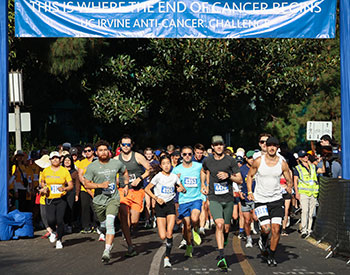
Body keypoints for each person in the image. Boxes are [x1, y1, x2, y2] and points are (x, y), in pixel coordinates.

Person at [246, 137, 293, 267]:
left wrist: (289, 186)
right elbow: (249, 176)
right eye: (269, 145)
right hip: (261, 200)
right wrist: (250, 192)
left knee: (276, 229)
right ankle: (263, 239)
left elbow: (289, 178)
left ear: (277, 147)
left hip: (276, 200)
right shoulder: (258, 161)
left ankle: (271, 255)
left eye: (274, 146)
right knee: (266, 229)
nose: (272, 148)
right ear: (265, 147)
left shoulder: (282, 163)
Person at [201, 135, 243, 270]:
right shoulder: (208, 161)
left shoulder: (230, 160)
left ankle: (224, 238)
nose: (219, 146)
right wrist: (203, 184)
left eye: (221, 144)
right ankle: (222, 256)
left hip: (228, 198)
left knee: (225, 228)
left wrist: (228, 176)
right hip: (214, 198)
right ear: (212, 147)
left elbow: (240, 179)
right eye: (216, 144)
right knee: (218, 224)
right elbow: (203, 171)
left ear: (224, 146)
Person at [83, 140, 129, 263]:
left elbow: (124, 171)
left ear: (109, 151)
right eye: (100, 150)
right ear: (96, 152)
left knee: (110, 223)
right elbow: (86, 183)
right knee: (103, 225)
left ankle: (107, 250)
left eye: (105, 150)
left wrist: (125, 185)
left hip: (113, 199)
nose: (103, 152)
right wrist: (100, 186)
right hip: (98, 201)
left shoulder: (116, 163)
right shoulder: (92, 166)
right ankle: (103, 230)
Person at [145, 155, 185, 268]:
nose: (166, 166)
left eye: (168, 163)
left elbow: (182, 189)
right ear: (161, 166)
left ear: (171, 164)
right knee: (163, 236)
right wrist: (156, 198)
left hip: (170, 205)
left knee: (169, 232)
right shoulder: (158, 177)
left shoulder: (174, 177)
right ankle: (168, 245)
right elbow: (147, 189)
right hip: (160, 206)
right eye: (164, 164)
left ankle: (167, 257)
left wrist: (181, 189)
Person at [114, 134, 151, 257]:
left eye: (128, 144)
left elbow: (149, 169)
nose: (125, 147)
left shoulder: (137, 156)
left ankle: (128, 230)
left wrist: (140, 178)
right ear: (120, 145)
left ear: (131, 145)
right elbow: (111, 175)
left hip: (137, 191)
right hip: (123, 191)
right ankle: (130, 245)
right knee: (125, 216)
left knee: (134, 221)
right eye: (123, 144)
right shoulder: (115, 160)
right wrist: (117, 182)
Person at [172, 146, 203, 258]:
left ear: (193, 154)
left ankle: (196, 229)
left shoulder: (199, 166)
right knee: (187, 226)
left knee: (194, 219)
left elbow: (207, 174)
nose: (187, 156)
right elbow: (172, 183)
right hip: (183, 200)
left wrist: (205, 185)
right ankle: (189, 245)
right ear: (181, 155)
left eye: (189, 154)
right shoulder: (177, 169)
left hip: (196, 198)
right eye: (185, 154)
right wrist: (177, 187)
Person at [40, 151, 74, 249]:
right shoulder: (46, 171)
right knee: (50, 220)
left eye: (57, 158)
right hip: (49, 198)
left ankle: (59, 240)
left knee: (60, 220)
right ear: (50, 160)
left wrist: (65, 188)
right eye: (53, 158)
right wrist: (44, 187)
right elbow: (42, 182)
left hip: (61, 199)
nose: (55, 160)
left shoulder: (64, 171)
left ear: (60, 159)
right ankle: (53, 232)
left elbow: (71, 185)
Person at [294, 150, 319, 238]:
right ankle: (304, 230)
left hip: (313, 193)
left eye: (306, 156)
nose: (305, 157)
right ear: (300, 158)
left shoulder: (313, 167)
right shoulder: (298, 168)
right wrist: (297, 193)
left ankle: (309, 229)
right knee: (305, 211)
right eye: (303, 156)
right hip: (304, 193)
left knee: (311, 213)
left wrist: (322, 159)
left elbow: (322, 170)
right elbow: (295, 181)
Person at [77, 143, 97, 234]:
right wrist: (85, 184)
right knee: (85, 207)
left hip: (96, 187)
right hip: (84, 188)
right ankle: (86, 226)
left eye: (89, 150)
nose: (87, 152)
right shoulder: (82, 162)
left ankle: (97, 225)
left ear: (93, 151)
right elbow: (80, 175)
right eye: (85, 151)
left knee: (96, 207)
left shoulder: (97, 161)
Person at [239, 150, 257, 248]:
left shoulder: (258, 168)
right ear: (246, 158)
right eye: (250, 158)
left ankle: (261, 235)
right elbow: (238, 181)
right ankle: (249, 238)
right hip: (245, 197)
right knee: (247, 220)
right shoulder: (242, 169)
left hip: (256, 196)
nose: (252, 160)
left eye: (253, 158)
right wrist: (240, 191)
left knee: (255, 217)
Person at [62, 155, 81, 233]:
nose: (67, 162)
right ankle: (62, 225)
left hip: (71, 192)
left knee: (70, 209)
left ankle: (69, 225)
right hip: (62, 191)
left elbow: (77, 184)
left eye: (69, 160)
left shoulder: (74, 172)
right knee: (62, 209)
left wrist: (77, 194)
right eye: (65, 160)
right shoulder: (60, 170)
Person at [143, 147, 159, 228]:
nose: (149, 156)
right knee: (147, 204)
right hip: (146, 186)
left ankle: (153, 217)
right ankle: (147, 220)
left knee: (153, 205)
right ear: (145, 154)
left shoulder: (156, 163)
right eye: (147, 154)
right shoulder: (143, 163)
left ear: (152, 154)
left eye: (150, 154)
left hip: (154, 186)